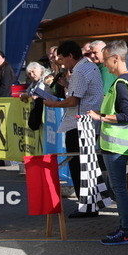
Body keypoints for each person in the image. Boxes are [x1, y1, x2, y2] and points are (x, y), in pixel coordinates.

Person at [86, 40, 128, 245]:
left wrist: (100, 117)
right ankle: (123, 227)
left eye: (106, 60)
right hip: (121, 144)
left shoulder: (121, 83)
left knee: (118, 188)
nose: (104, 64)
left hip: (117, 144)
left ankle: (126, 231)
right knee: (118, 188)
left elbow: (127, 115)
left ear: (116, 58)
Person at [43, 40, 104, 218]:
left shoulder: (79, 70)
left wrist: (52, 104)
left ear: (71, 56)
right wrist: (66, 85)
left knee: (80, 166)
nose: (61, 64)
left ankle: (87, 206)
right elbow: (82, 93)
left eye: (62, 59)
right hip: (88, 122)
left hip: (80, 123)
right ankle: (91, 205)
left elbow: (72, 101)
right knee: (87, 165)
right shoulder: (89, 66)